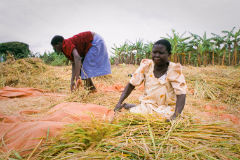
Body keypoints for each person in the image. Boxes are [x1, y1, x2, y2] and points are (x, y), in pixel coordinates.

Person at [114, 39, 187, 121]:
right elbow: (131, 84)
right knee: (139, 115)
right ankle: (136, 107)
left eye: (161, 53)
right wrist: (119, 103)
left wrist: (176, 115)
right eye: (154, 52)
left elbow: (181, 94)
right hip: (149, 104)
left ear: (169, 54)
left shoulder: (174, 69)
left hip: (167, 107)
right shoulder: (147, 66)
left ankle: (135, 106)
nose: (157, 55)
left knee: (163, 118)